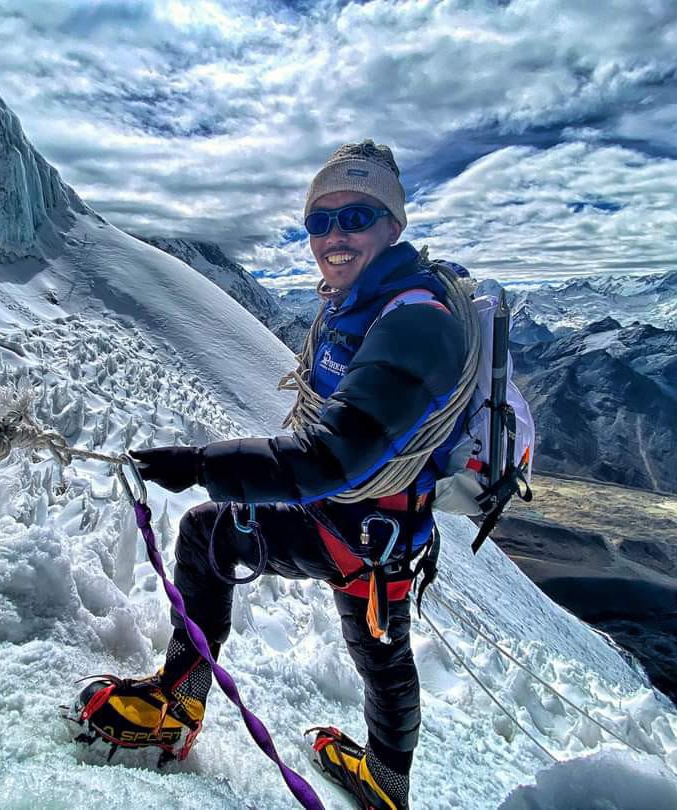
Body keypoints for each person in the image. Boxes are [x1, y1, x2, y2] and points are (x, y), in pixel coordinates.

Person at [75, 140, 468, 810]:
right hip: (357, 519)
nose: (334, 237)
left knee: (377, 644)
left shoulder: (417, 324)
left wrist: (200, 464)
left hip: (368, 530)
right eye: (320, 222)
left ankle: (192, 712)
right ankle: (374, 775)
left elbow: (329, 457)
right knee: (218, 542)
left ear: (393, 225)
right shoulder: (363, 300)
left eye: (357, 217)